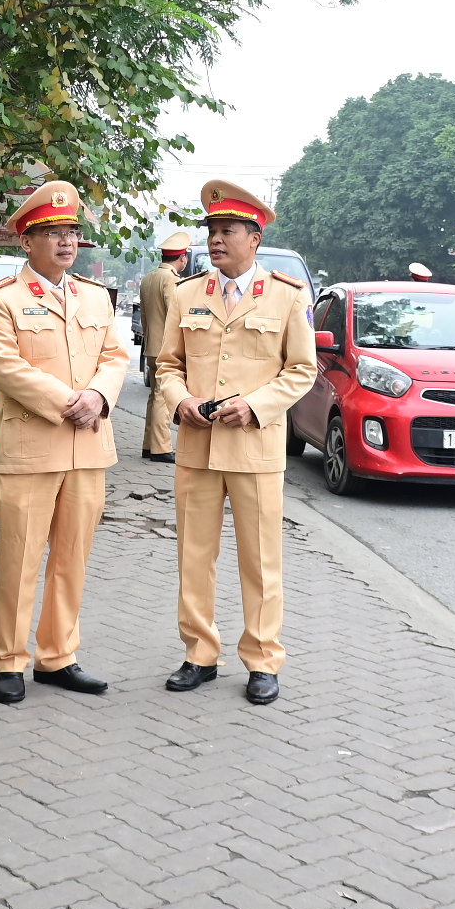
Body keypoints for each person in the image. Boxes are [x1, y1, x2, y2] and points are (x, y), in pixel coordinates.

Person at [152, 180, 317, 705]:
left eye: (227, 230)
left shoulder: (288, 295)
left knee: (261, 560)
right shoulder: (187, 294)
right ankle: (199, 654)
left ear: (254, 237)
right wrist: (180, 400)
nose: (216, 240)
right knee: (193, 556)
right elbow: (167, 365)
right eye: (212, 231)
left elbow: (302, 370)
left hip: (255, 447)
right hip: (198, 447)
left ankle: (263, 659)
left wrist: (256, 405)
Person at [0, 180, 130, 704]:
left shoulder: (95, 296)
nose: (66, 241)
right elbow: (4, 367)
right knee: (18, 562)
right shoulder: (2, 299)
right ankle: (9, 660)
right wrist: (72, 401)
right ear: (26, 241)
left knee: (71, 560)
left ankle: (58, 656)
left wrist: (100, 396)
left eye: (71, 231)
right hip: (30, 449)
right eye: (52, 232)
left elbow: (115, 357)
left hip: (87, 449)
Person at [139, 230, 194, 462]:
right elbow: (175, 316)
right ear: (182, 258)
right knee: (163, 397)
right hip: (165, 348)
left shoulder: (149, 278)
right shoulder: (171, 280)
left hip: (151, 345)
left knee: (155, 396)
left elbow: (145, 316)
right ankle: (160, 448)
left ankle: (148, 444)